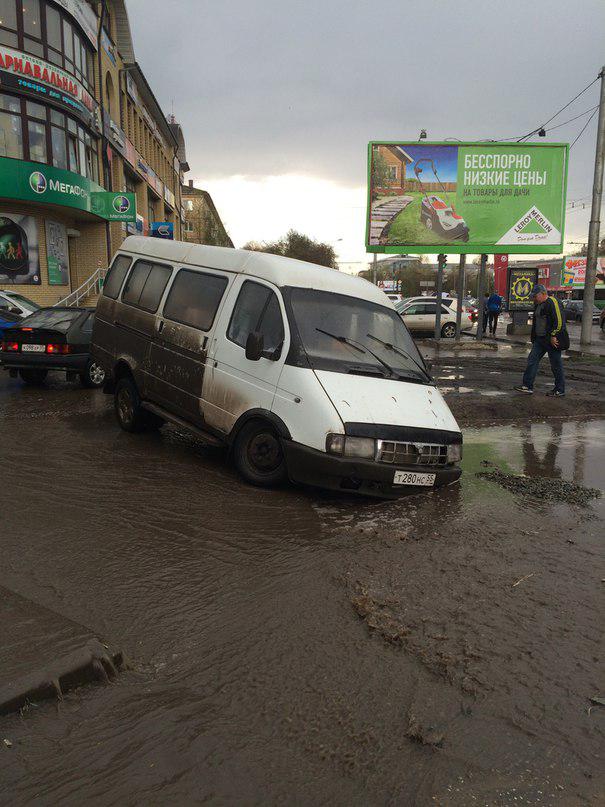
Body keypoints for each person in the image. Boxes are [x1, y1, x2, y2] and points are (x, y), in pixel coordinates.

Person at [514, 284, 566, 397]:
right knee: (532, 360)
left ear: (542, 294)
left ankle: (560, 389)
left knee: (556, 364)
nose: (534, 298)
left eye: (535, 296)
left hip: (552, 340)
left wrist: (553, 335)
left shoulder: (552, 302)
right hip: (540, 340)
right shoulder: (538, 304)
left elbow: (559, 321)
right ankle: (527, 386)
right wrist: (534, 337)